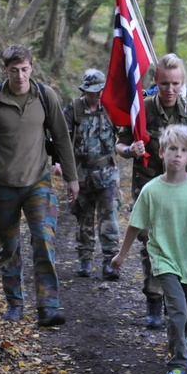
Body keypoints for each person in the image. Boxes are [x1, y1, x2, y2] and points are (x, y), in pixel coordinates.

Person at [0, 44, 79, 327]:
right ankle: (15, 302)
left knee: (43, 238)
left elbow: (62, 139)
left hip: (38, 182)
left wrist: (71, 178)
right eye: (14, 70)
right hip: (3, 185)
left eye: (24, 69)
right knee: (9, 246)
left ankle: (48, 306)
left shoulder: (45, 96)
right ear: (5, 70)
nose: (20, 76)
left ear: (32, 67)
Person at [110, 124, 187, 374]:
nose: (178, 155)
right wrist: (121, 256)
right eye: (172, 149)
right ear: (161, 153)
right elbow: (136, 224)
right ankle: (177, 365)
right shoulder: (151, 190)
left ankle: (182, 340)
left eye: (184, 150)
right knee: (177, 312)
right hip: (163, 258)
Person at [115, 53, 187, 329]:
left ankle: (183, 299)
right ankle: (153, 299)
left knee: (183, 242)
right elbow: (120, 145)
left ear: (182, 83)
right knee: (151, 242)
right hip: (151, 185)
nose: (170, 89)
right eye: (164, 84)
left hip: (186, 190)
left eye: (175, 84)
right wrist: (129, 150)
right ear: (155, 82)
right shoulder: (141, 109)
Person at [64, 68, 121, 280]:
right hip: (82, 172)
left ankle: (110, 262)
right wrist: (63, 166)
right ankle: (85, 259)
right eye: (93, 91)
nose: (97, 95)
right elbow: (61, 138)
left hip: (107, 173)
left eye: (100, 90)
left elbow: (123, 134)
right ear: (84, 90)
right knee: (84, 218)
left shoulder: (112, 109)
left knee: (110, 219)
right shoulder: (74, 110)